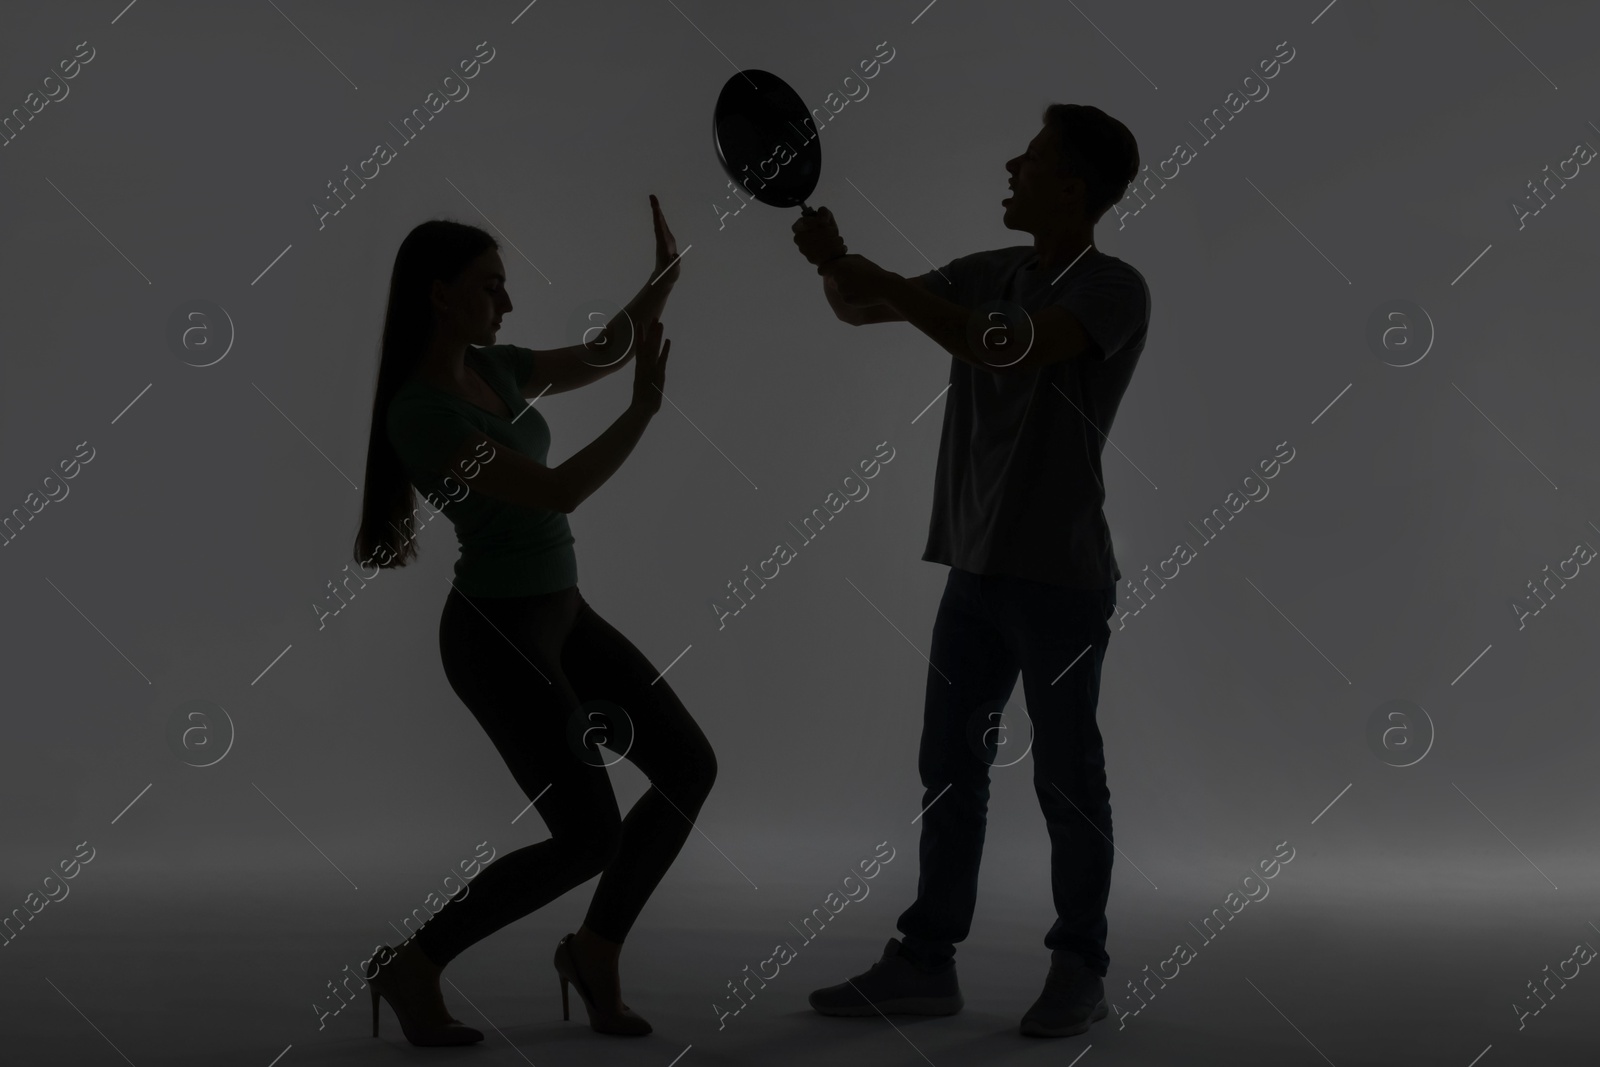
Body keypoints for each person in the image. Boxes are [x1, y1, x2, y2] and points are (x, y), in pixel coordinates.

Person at [793, 103, 1148, 1039]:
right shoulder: (989, 270)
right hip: (975, 571)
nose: (1010, 165)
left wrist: (888, 286)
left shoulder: (1113, 288)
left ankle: (1080, 968)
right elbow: (859, 304)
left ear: (1072, 188)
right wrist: (836, 262)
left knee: (1069, 777)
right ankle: (925, 962)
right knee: (950, 768)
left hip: (1063, 581)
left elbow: (1006, 345)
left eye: (1029, 159)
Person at [351, 196, 716, 1046]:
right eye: (490, 287)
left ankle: (594, 949)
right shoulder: (423, 414)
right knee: (588, 834)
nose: (507, 305)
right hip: (497, 636)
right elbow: (555, 490)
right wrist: (641, 411)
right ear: (438, 294)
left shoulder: (500, 368)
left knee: (686, 767)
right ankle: (414, 963)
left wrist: (659, 284)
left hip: (565, 613)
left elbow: (599, 351)